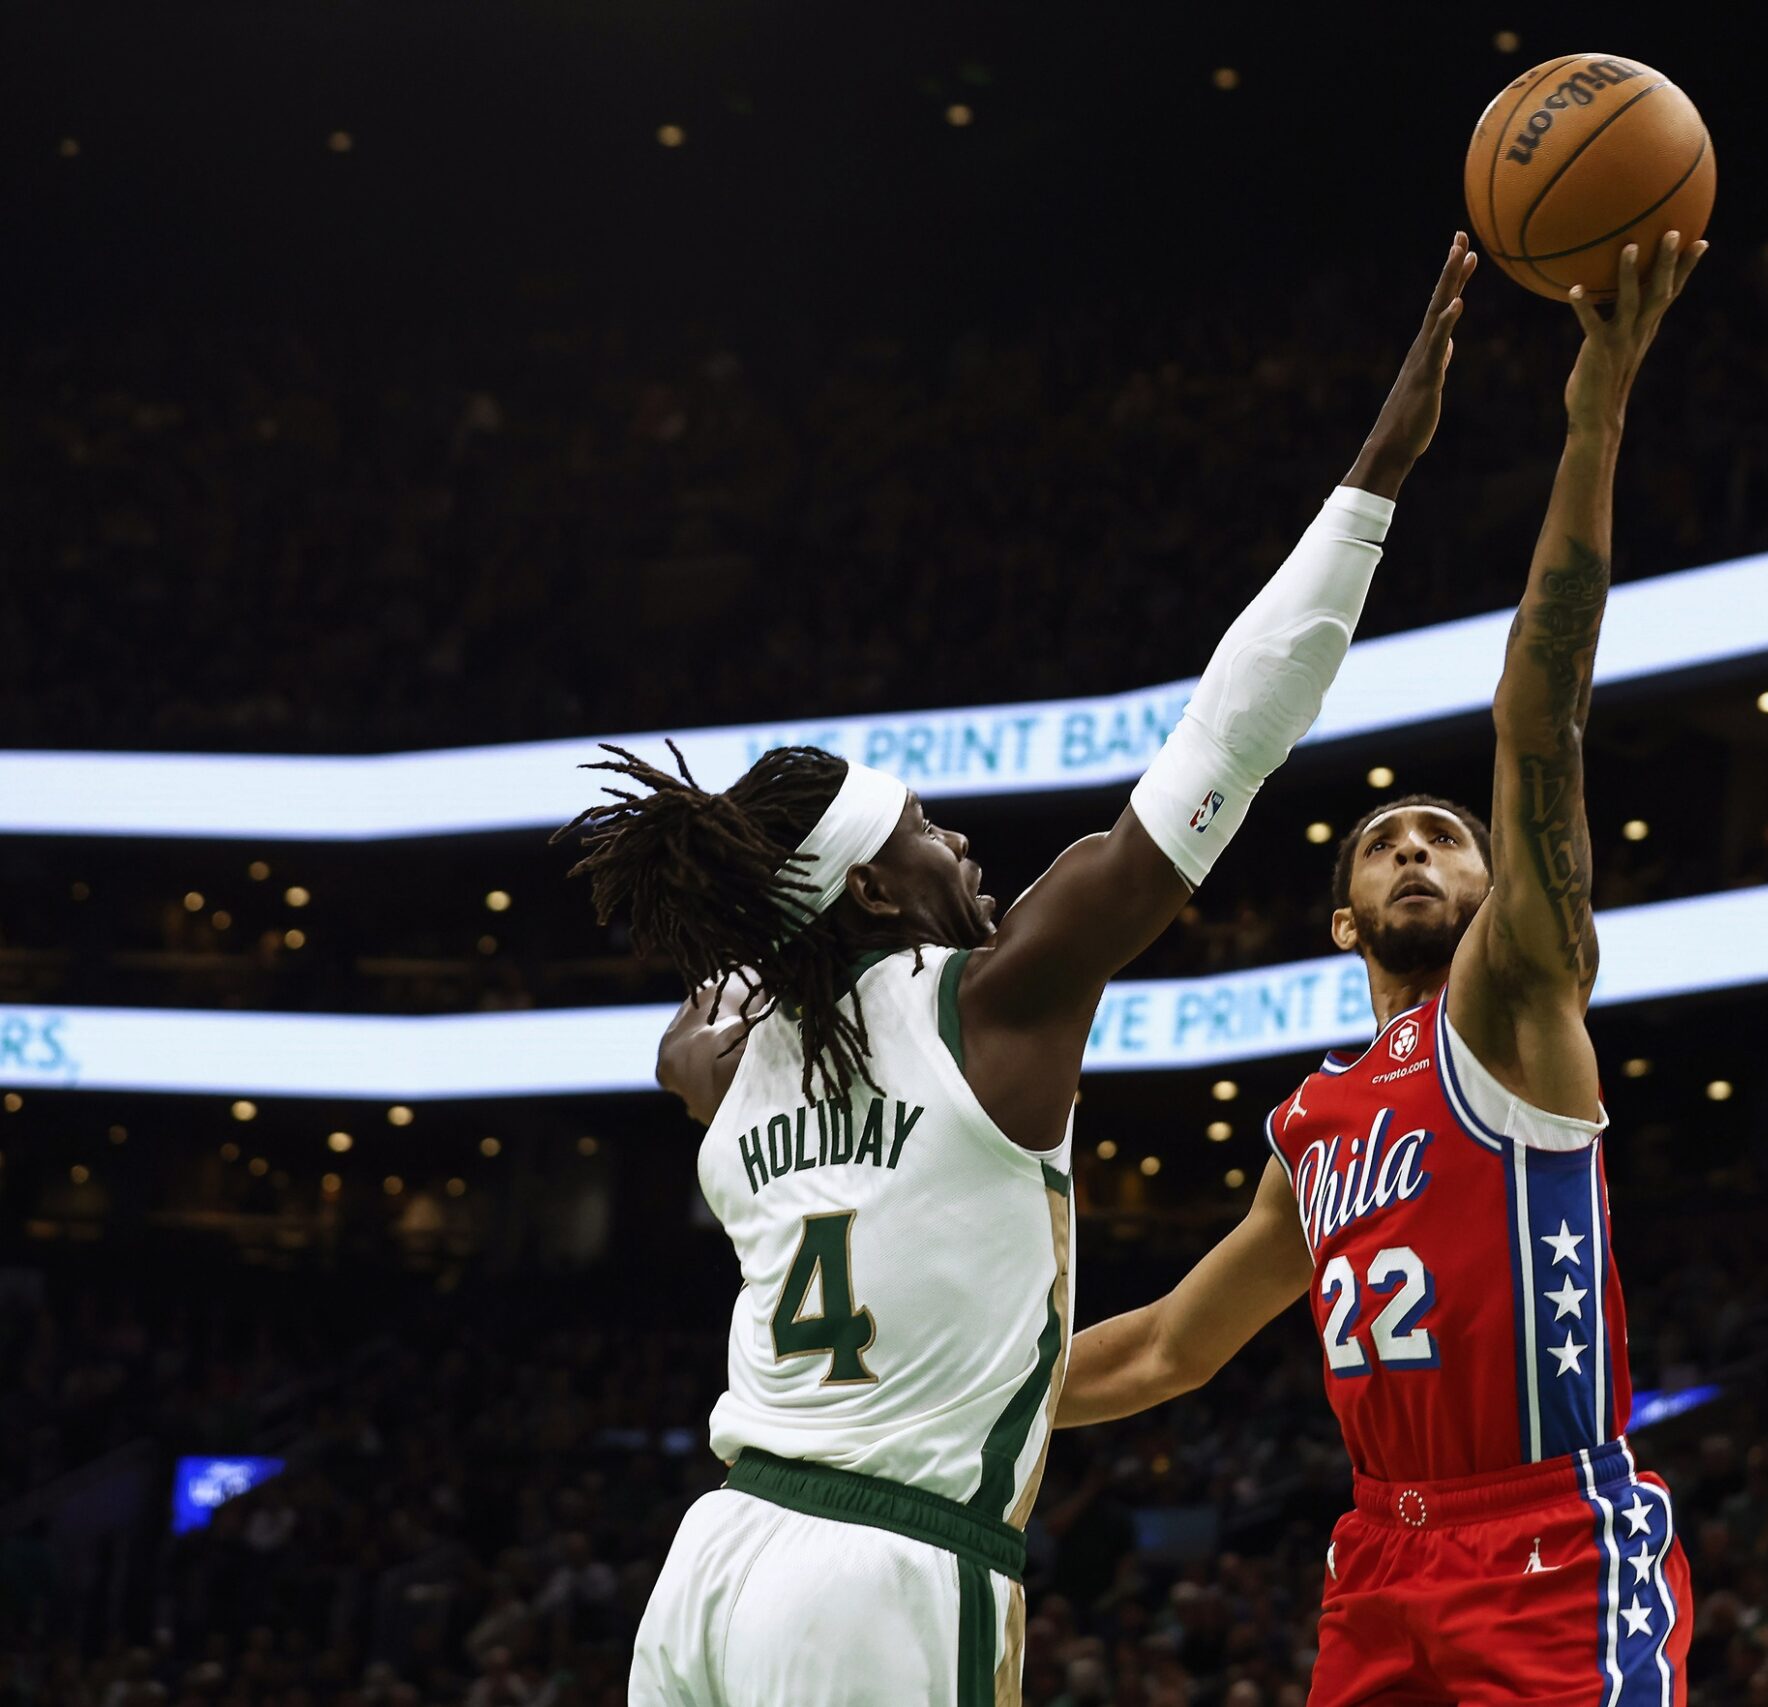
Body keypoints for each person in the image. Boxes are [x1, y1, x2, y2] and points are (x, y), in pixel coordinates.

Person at [561, 237, 1478, 1707]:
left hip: (710, 1563)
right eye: (924, 828)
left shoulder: (725, 1070)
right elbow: (1230, 736)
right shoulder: (992, 1004)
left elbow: (687, 1047)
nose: (961, 842)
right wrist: (1378, 468)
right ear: (870, 886)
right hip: (882, 1570)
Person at [1053, 230, 1709, 1703]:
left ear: (1497, 893)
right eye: (1386, 845)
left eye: (1450, 842)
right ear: (1343, 918)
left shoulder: (1520, 999)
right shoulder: (1312, 1129)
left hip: (1548, 1547)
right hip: (1376, 1564)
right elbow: (1165, 1347)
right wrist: (960, 1410)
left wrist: (1595, 413)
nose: (1421, 854)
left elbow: (1540, 720)